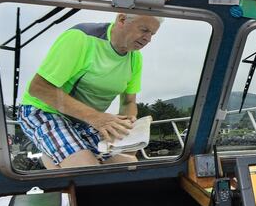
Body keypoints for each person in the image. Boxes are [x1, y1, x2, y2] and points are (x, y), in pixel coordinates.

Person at [18, 13, 161, 168]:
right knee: (86, 167)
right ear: (122, 20)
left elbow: (128, 101)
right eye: (144, 30)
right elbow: (38, 88)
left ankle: (56, 152)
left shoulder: (135, 58)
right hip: (44, 110)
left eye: (152, 34)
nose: (148, 38)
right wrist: (96, 118)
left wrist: (126, 134)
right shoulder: (81, 38)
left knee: (128, 164)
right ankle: (54, 153)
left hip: (86, 119)